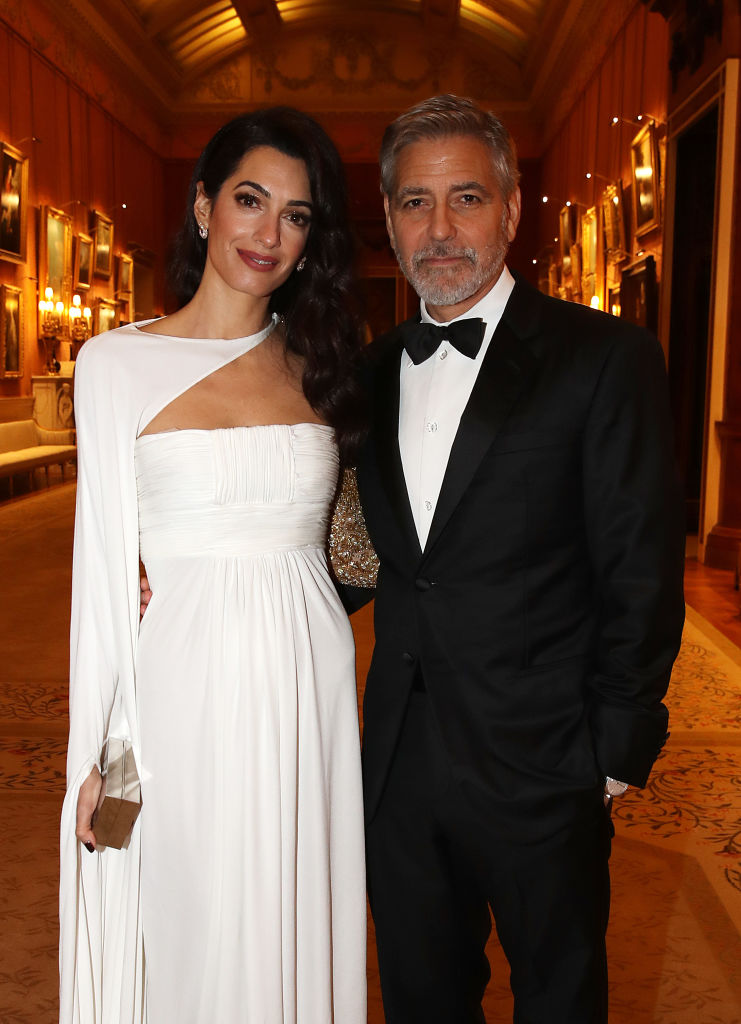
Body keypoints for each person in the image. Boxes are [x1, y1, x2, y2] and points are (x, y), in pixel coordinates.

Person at [353, 95, 686, 1023]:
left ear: (510, 206)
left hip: (546, 757)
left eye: (466, 197)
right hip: (400, 761)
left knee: (560, 997)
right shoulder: (368, 373)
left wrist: (614, 747)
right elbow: (349, 549)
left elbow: (640, 563)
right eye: (415, 203)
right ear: (387, 219)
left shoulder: (603, 358)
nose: (441, 227)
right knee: (421, 996)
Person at [59, 107, 367, 1024]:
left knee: (289, 907)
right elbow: (103, 577)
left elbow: (369, 541)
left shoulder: (326, 365)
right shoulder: (113, 365)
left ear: (314, 240)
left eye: (297, 214)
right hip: (180, 688)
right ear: (203, 207)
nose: (269, 233)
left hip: (308, 687)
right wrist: (95, 755)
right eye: (249, 199)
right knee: (190, 917)